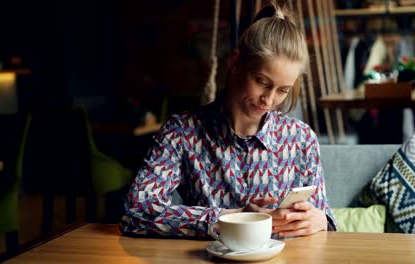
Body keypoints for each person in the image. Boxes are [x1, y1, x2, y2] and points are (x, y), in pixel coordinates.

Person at [120, 2, 337, 239]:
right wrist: (234, 218)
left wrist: (321, 220)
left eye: (282, 90)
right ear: (235, 63)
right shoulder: (181, 132)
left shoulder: (302, 138)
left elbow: (322, 218)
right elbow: (136, 212)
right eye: (262, 82)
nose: (268, 99)